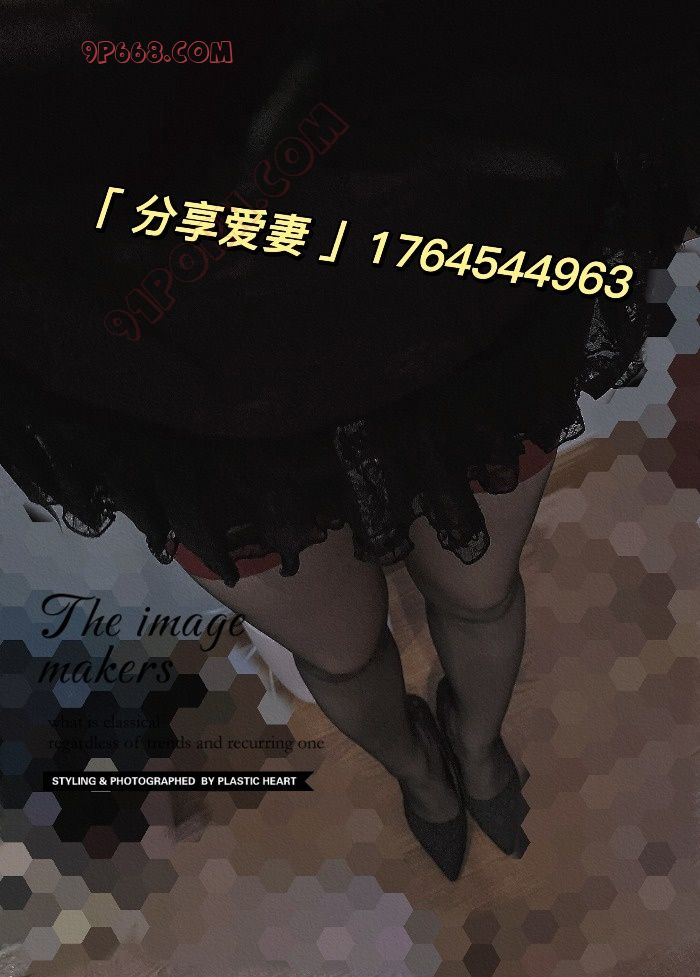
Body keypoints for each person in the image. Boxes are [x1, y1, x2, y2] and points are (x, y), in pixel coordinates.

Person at [2, 0, 698, 879]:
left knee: (481, 595)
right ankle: (421, 771)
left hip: (468, 293)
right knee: (339, 650)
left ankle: (475, 745)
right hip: (177, 384)